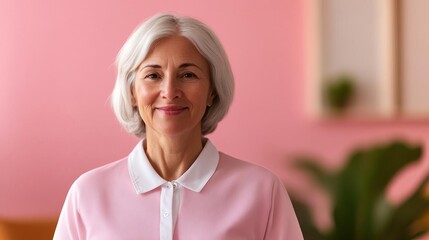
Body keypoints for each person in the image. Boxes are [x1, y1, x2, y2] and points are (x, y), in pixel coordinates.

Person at [54, 13, 303, 240]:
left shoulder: (262, 191)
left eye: (188, 75)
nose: (170, 92)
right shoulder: (87, 194)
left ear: (212, 92)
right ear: (132, 92)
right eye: (153, 75)